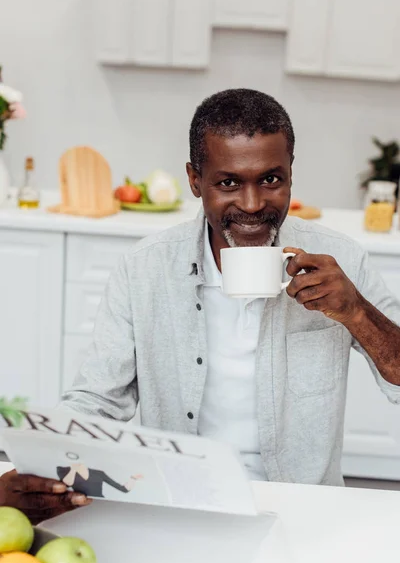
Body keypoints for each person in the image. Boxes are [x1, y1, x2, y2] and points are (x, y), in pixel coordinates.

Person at [1, 89, 400, 523]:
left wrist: (357, 312)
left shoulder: (341, 261)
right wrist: (34, 469)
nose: (252, 205)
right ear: (195, 180)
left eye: (271, 179)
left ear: (290, 175)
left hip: (304, 506)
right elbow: (97, 399)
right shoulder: (145, 268)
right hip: (178, 502)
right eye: (228, 182)